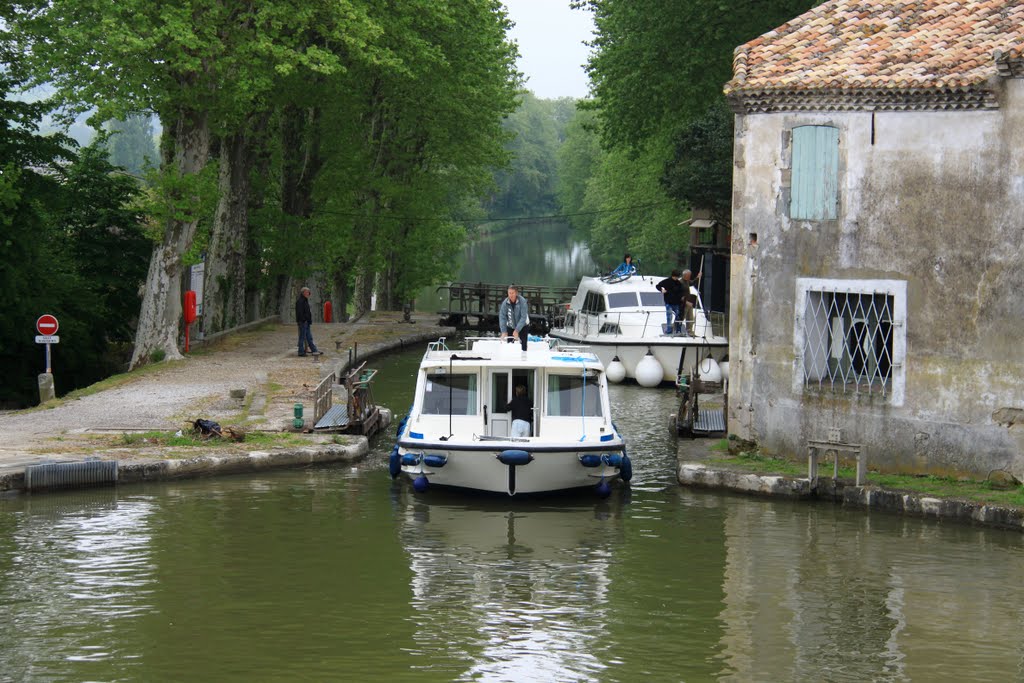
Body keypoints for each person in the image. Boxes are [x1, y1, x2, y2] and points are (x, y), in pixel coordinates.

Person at [499, 284, 530, 351]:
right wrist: (503, 331)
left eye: (512, 293)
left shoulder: (522, 301)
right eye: (509, 293)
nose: (511, 295)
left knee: (523, 345)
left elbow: (523, 317)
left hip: (523, 325)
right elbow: (502, 317)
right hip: (510, 325)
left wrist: (517, 330)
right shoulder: (505, 303)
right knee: (509, 344)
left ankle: (523, 358)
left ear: (516, 293)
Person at [295, 286, 321, 356]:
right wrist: (304, 320)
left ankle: (314, 350)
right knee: (302, 337)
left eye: (308, 292)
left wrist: (308, 320)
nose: (308, 294)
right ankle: (301, 352)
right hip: (303, 322)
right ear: (303, 293)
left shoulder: (305, 301)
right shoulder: (300, 301)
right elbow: (300, 313)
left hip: (306, 322)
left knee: (309, 337)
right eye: (307, 292)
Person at [680, 269, 702, 335]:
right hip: (683, 304)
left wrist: (698, 277)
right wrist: (686, 302)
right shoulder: (680, 283)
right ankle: (675, 330)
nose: (690, 276)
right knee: (681, 318)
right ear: (685, 275)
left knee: (690, 318)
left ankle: (690, 331)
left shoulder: (687, 281)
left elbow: (692, 282)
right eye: (689, 275)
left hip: (689, 304)